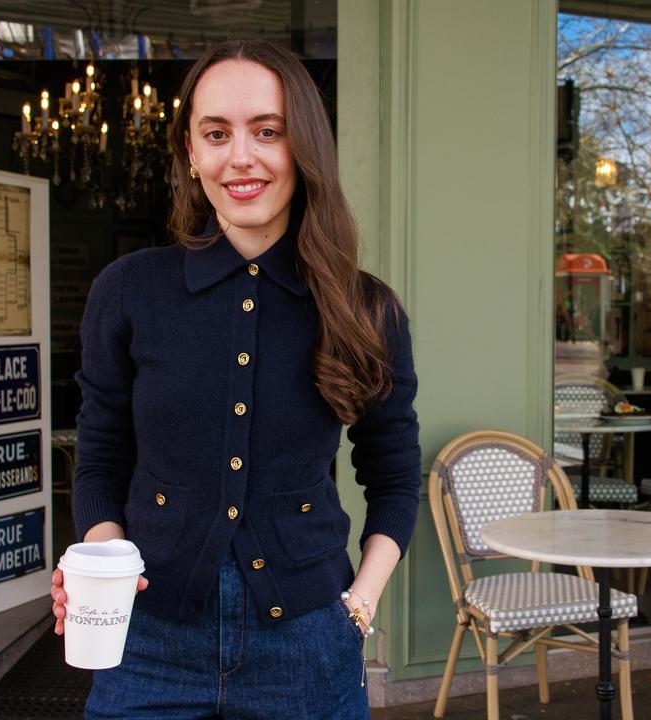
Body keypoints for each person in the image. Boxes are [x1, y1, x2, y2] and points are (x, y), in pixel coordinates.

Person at [49, 39, 421, 718]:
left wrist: (359, 606)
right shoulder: (129, 291)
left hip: (308, 645)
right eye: (215, 133)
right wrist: (103, 565)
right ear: (190, 152)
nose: (239, 156)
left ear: (303, 148)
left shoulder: (366, 307)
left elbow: (394, 476)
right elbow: (100, 457)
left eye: (267, 131)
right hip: (149, 642)